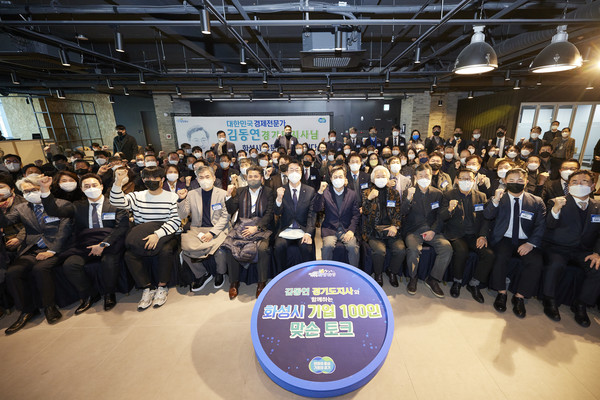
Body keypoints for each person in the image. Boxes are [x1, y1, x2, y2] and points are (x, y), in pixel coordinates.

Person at [39, 173, 128, 313]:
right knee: (70, 264)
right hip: (85, 243)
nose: (91, 188)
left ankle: (109, 293)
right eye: (87, 186)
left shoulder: (115, 203)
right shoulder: (77, 206)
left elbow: (121, 228)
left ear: (101, 186)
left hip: (110, 242)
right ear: (81, 189)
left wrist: (103, 244)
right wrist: (45, 189)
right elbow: (54, 211)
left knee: (109, 261)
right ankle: (90, 294)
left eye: (94, 185)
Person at [1, 174, 72, 334]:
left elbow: (64, 231)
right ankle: (27, 310)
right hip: (33, 248)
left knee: (40, 269)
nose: (30, 194)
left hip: (58, 247)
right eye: (26, 192)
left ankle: (49, 307)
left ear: (43, 187)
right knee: (13, 272)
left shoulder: (61, 204)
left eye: (34, 189)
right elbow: (5, 222)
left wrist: (51, 251)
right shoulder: (22, 208)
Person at [110, 166, 181, 310]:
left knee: (165, 250)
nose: (151, 180)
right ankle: (147, 288)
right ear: (143, 180)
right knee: (129, 255)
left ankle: (162, 286)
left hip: (166, 232)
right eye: (147, 178)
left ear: (162, 180)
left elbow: (175, 220)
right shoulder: (136, 196)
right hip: (142, 232)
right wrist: (117, 183)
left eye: (155, 178)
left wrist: (157, 235)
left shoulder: (172, 197)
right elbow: (116, 202)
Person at [484, 168, 546, 318]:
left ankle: (520, 297)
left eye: (520, 180)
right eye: (511, 180)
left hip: (526, 240)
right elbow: (487, 215)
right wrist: (495, 200)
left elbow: (541, 225)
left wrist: (531, 243)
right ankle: (501, 292)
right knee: (500, 257)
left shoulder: (537, 201)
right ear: (505, 181)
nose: (515, 183)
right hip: (504, 238)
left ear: (526, 181)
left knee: (536, 262)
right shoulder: (499, 198)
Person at [542, 170, 600, 327]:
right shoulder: (556, 201)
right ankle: (549, 300)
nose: (579, 184)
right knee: (556, 264)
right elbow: (549, 224)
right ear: (568, 186)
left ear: (593, 186)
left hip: (584, 251)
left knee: (597, 269)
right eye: (574, 182)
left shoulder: (598, 206)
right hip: (558, 247)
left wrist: (597, 253)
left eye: (584, 181)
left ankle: (581, 304)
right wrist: (556, 209)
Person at [441, 168, 494, 302]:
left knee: (489, 255)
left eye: (469, 179)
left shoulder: (481, 196)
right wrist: (449, 209)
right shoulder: (448, 195)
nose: (466, 181)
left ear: (474, 180)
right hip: (456, 234)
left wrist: (483, 236)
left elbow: (485, 219)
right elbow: (442, 217)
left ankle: (474, 283)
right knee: (462, 251)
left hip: (474, 235)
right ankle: (457, 281)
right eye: (462, 178)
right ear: (457, 180)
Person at [402, 164, 453, 297]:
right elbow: (402, 213)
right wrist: (408, 199)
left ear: (431, 176)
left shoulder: (438, 193)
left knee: (446, 248)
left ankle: (433, 279)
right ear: (415, 177)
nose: (424, 178)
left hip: (432, 229)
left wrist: (433, 231)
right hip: (413, 230)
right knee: (413, 250)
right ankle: (413, 277)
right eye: (421, 176)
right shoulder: (408, 192)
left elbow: (440, 216)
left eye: (427, 175)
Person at [223, 166, 274, 299]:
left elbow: (269, 214)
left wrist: (256, 227)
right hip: (242, 226)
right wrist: (228, 196)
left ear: (261, 178)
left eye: (256, 176)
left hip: (261, 227)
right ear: (246, 178)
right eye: (250, 176)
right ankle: (234, 282)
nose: (252, 179)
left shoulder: (268, 192)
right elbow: (231, 209)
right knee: (230, 246)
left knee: (262, 249)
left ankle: (261, 283)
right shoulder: (240, 191)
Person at [177, 166, 230, 292]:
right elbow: (183, 215)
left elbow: (225, 216)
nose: (205, 180)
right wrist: (181, 199)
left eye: (207, 177)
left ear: (214, 178)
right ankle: (201, 274)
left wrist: (212, 233)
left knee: (220, 251)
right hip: (197, 229)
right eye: (201, 177)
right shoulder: (191, 194)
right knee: (185, 251)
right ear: (197, 180)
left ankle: (220, 273)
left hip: (218, 228)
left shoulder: (222, 194)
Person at [362, 166, 406, 287]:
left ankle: (392, 272)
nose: (381, 178)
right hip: (373, 230)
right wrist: (369, 199)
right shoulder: (367, 192)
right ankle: (378, 274)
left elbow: (398, 213)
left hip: (391, 229)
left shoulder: (394, 193)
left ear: (388, 178)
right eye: (378, 176)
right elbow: (365, 212)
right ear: (373, 179)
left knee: (400, 250)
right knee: (379, 251)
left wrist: (395, 226)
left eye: (383, 176)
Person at [273, 161, 316, 272]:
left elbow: (312, 215)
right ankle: (281, 275)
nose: (294, 172)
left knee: (306, 247)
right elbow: (277, 212)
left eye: (297, 170)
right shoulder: (281, 190)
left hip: (302, 229)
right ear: (286, 173)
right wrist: (279, 198)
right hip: (285, 229)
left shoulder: (310, 191)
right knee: (278, 246)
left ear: (301, 173)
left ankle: (307, 275)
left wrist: (308, 233)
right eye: (291, 170)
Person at [315, 166, 361, 268]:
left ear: (345, 178)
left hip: (346, 228)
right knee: (327, 246)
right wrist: (320, 192)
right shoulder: (326, 193)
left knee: (353, 247)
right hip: (330, 228)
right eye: (335, 177)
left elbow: (356, 214)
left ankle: (354, 273)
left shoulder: (352, 194)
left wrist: (351, 230)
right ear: (331, 179)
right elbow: (317, 209)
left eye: (340, 176)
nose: (338, 179)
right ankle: (326, 271)